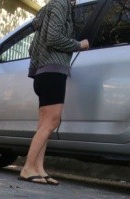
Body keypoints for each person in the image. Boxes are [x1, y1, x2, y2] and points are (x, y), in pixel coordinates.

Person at [19, 0, 89, 185]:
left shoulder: (48, 9)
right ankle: (27, 168)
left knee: (44, 125)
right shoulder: (61, 4)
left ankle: (38, 168)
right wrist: (79, 45)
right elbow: (53, 38)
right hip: (53, 72)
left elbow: (32, 47)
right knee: (51, 122)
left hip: (43, 73)